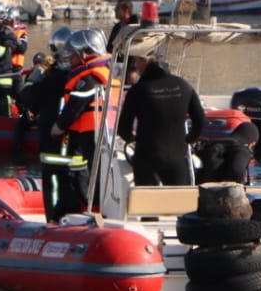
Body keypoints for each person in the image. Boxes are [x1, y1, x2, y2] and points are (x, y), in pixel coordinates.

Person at [46, 28, 110, 219]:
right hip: (98, 131)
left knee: (89, 173)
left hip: (92, 133)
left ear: (85, 53)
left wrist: (58, 127)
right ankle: (90, 206)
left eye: (73, 55)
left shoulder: (88, 79)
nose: (70, 59)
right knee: (92, 172)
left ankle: (92, 209)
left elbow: (74, 107)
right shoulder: (103, 72)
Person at [115, 54, 207, 185]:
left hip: (147, 156)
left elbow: (123, 128)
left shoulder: (138, 90)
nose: (135, 65)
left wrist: (132, 139)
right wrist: (187, 140)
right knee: (178, 203)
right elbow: (201, 121)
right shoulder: (184, 85)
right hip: (177, 156)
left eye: (136, 60)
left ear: (146, 60)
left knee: (147, 203)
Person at [17, 28, 75, 219]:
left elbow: (26, 98)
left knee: (54, 181)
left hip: (53, 141)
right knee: (73, 180)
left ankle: (55, 220)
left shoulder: (51, 78)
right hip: (75, 142)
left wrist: (33, 79)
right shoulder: (80, 77)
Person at [194, 120, 259, 185]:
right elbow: (237, 170)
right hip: (222, 191)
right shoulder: (242, 150)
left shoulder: (212, 144)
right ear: (252, 143)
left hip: (200, 188)